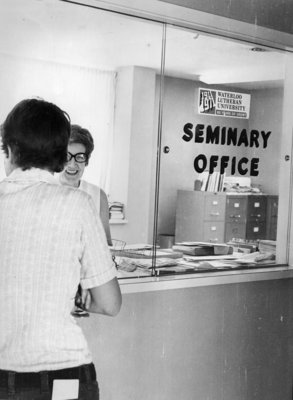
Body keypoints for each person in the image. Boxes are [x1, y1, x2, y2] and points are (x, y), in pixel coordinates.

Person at [0, 98, 122, 400]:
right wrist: (75, 298)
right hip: (64, 371)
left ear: (10, 148)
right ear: (58, 154)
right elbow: (109, 304)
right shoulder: (78, 204)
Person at [59, 124, 112, 246]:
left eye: (80, 157)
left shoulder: (98, 195)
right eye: (67, 156)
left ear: (86, 161)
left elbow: (106, 245)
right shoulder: (45, 190)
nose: (72, 164)